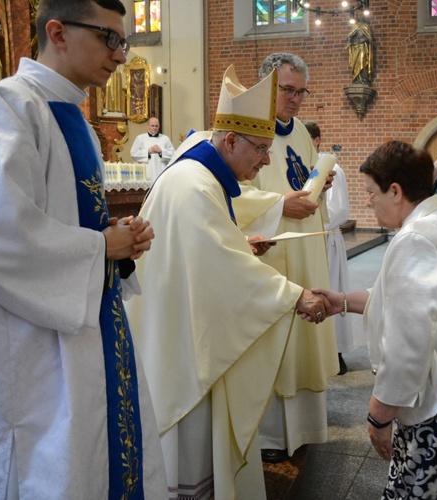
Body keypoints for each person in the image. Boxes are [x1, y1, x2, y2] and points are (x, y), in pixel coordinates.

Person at [0, 0, 167, 497]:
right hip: (37, 342)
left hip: (89, 323)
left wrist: (117, 239)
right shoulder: (8, 107)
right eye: (108, 37)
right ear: (58, 33)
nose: (119, 54)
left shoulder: (76, 120)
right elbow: (0, 234)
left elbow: (62, 219)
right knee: (54, 463)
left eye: (123, 40)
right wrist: (100, 246)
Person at [124, 66, 329, 499]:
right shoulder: (195, 186)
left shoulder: (199, 176)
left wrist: (238, 239)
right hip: (185, 347)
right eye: (260, 149)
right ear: (230, 140)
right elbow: (223, 269)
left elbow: (207, 251)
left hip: (181, 326)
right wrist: (294, 296)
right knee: (193, 455)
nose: (266, 160)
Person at [313, 141, 437, 499]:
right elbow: (405, 302)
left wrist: (378, 415)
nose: (368, 201)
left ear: (396, 191)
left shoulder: (416, 239)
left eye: (371, 193)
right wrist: (340, 301)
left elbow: (408, 343)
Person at [230, 52, 338, 464]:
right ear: (267, 89)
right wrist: (278, 207)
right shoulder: (243, 128)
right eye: (286, 90)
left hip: (304, 244)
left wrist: (319, 185)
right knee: (274, 338)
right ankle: (271, 434)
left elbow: (302, 181)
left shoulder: (300, 136)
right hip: (270, 247)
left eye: (300, 91)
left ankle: (305, 429)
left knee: (304, 341)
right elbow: (230, 192)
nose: (294, 99)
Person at [303, 120, 354, 375]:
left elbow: (340, 210)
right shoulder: (302, 167)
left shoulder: (331, 167)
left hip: (326, 237)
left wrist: (312, 220)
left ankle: (336, 354)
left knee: (331, 291)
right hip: (309, 238)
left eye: (306, 138)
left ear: (316, 140)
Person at [130, 116, 175, 180]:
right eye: (152, 126)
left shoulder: (165, 139)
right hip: (146, 170)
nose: (154, 128)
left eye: (156, 126)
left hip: (161, 170)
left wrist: (161, 151)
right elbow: (133, 153)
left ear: (159, 126)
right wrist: (148, 151)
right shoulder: (140, 138)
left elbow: (173, 154)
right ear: (148, 126)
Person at [347, 20, 373, 85]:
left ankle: (363, 79)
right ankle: (356, 79)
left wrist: (363, 39)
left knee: (363, 62)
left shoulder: (366, 26)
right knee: (356, 63)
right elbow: (349, 36)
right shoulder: (355, 26)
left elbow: (369, 38)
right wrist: (349, 42)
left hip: (363, 48)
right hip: (355, 48)